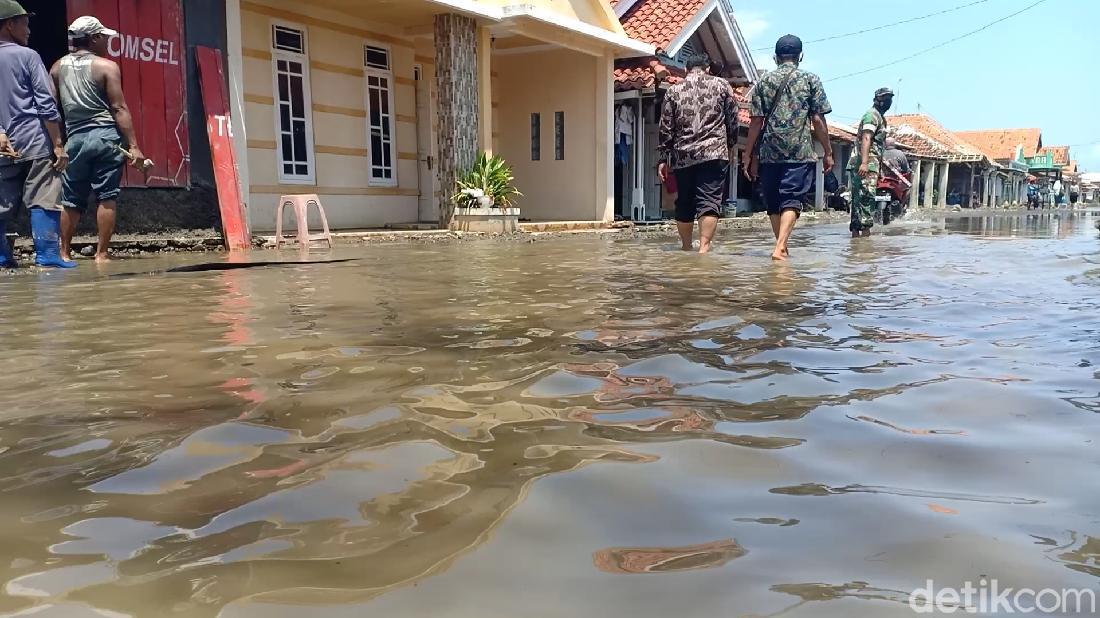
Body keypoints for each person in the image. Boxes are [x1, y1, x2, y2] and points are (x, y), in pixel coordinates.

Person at [54, 15, 145, 263]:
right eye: (104, 37)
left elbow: (52, 110)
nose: (106, 41)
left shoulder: (57, 67)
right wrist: (134, 146)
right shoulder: (106, 67)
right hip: (106, 138)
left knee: (70, 199)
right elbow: (119, 108)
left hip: (75, 140)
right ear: (93, 39)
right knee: (107, 196)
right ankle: (102, 254)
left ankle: (63, 252)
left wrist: (58, 143)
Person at [743, 34, 833, 261]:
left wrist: (748, 154)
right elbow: (818, 120)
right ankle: (781, 246)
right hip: (799, 150)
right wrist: (828, 152)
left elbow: (755, 121)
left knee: (773, 201)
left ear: (775, 57)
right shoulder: (811, 79)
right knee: (791, 199)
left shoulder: (763, 82)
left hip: (769, 151)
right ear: (800, 56)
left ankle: (781, 246)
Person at [0, 0, 76, 268]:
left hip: (3, 143)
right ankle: (48, 257)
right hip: (34, 138)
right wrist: (57, 143)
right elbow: (45, 102)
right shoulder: (28, 56)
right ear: (10, 25)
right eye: (25, 23)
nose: (30, 30)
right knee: (44, 196)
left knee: (1, 201)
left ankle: (2, 258)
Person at [657, 53, 738, 254]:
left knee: (684, 200)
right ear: (707, 68)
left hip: (683, 156)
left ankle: (685, 247)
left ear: (686, 70)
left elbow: (666, 127)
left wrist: (663, 158)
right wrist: (730, 145)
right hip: (714, 153)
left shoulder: (674, 91)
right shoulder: (722, 85)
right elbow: (733, 119)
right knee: (709, 200)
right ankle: (704, 248)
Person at [847, 87, 893, 237]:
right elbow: (866, 137)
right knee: (866, 197)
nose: (888, 102)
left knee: (862, 199)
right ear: (876, 100)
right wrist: (865, 163)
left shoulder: (880, 117)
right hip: (865, 163)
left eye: (889, 98)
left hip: (871, 164)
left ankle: (857, 240)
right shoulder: (872, 115)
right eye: (885, 98)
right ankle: (864, 238)